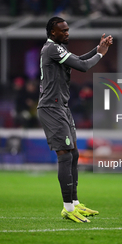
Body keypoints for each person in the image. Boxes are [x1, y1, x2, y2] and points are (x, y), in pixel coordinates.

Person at [37, 17, 112, 223]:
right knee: (65, 155)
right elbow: (82, 65)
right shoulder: (52, 49)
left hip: (61, 107)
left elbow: (77, 58)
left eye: (68, 30)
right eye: (63, 31)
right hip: (51, 108)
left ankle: (75, 204)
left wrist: (98, 48)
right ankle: (68, 208)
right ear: (53, 33)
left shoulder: (58, 49)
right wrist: (100, 53)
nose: (67, 33)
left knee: (74, 153)